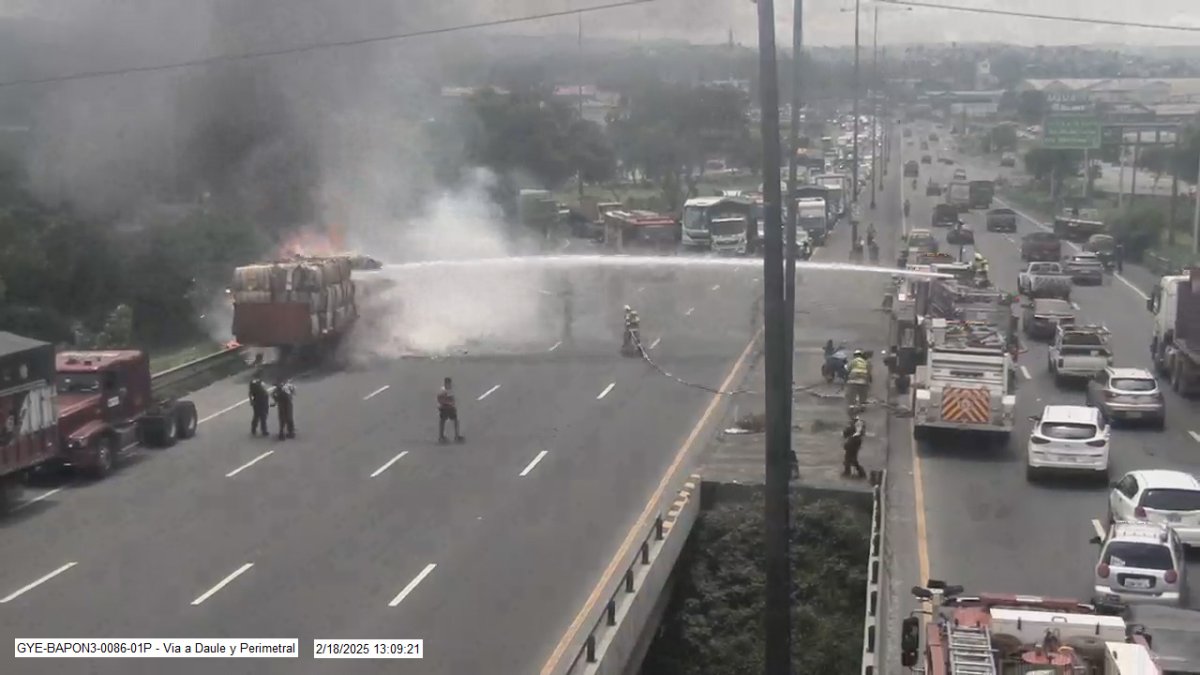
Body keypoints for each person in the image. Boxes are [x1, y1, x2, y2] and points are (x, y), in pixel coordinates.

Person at [437, 377, 464, 443]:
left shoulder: (450, 389)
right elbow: (440, 399)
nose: (449, 384)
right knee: (443, 422)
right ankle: (441, 437)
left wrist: (453, 404)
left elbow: (452, 398)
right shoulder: (443, 390)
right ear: (446, 383)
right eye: (448, 383)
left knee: (455, 421)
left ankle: (456, 436)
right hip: (445, 408)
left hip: (450, 408)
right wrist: (445, 403)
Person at [842, 415, 868, 479]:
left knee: (850, 459)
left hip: (854, 442)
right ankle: (848, 472)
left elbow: (846, 434)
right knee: (851, 459)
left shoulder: (854, 426)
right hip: (855, 442)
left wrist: (846, 445)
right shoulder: (859, 424)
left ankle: (849, 472)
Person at [248, 370, 270, 437]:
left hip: (261, 400)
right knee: (261, 416)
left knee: (259, 415)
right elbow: (251, 392)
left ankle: (255, 429)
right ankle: (263, 430)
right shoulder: (256, 383)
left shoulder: (258, 382)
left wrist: (251, 400)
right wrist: (251, 400)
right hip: (259, 400)